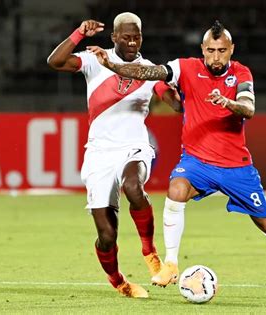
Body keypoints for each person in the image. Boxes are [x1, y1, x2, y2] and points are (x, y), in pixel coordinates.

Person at [88, 20, 266, 301]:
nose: (216, 57)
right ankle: (171, 264)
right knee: (176, 190)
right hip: (197, 161)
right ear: (202, 49)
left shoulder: (240, 73)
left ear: (231, 49)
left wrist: (228, 103)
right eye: (210, 50)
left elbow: (249, 108)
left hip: (235, 165)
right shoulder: (185, 67)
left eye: (222, 50)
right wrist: (114, 66)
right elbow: (151, 72)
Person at [47, 12, 175, 298]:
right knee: (107, 236)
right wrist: (79, 33)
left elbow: (172, 101)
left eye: (137, 36)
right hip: (99, 153)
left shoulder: (148, 69)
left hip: (134, 145)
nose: (132, 41)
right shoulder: (94, 59)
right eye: (126, 36)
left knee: (133, 186)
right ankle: (118, 281)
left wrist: (178, 94)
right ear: (114, 37)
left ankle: (150, 251)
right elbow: (54, 62)